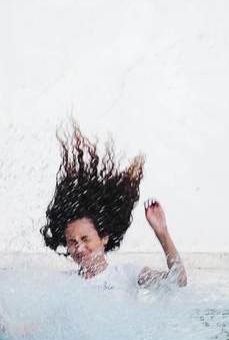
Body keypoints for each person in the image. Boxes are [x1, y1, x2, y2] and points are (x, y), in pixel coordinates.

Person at [39, 124, 187, 291]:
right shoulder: (62, 283)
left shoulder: (127, 275)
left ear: (104, 238)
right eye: (73, 242)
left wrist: (162, 232)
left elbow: (178, 282)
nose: (79, 248)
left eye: (85, 239)